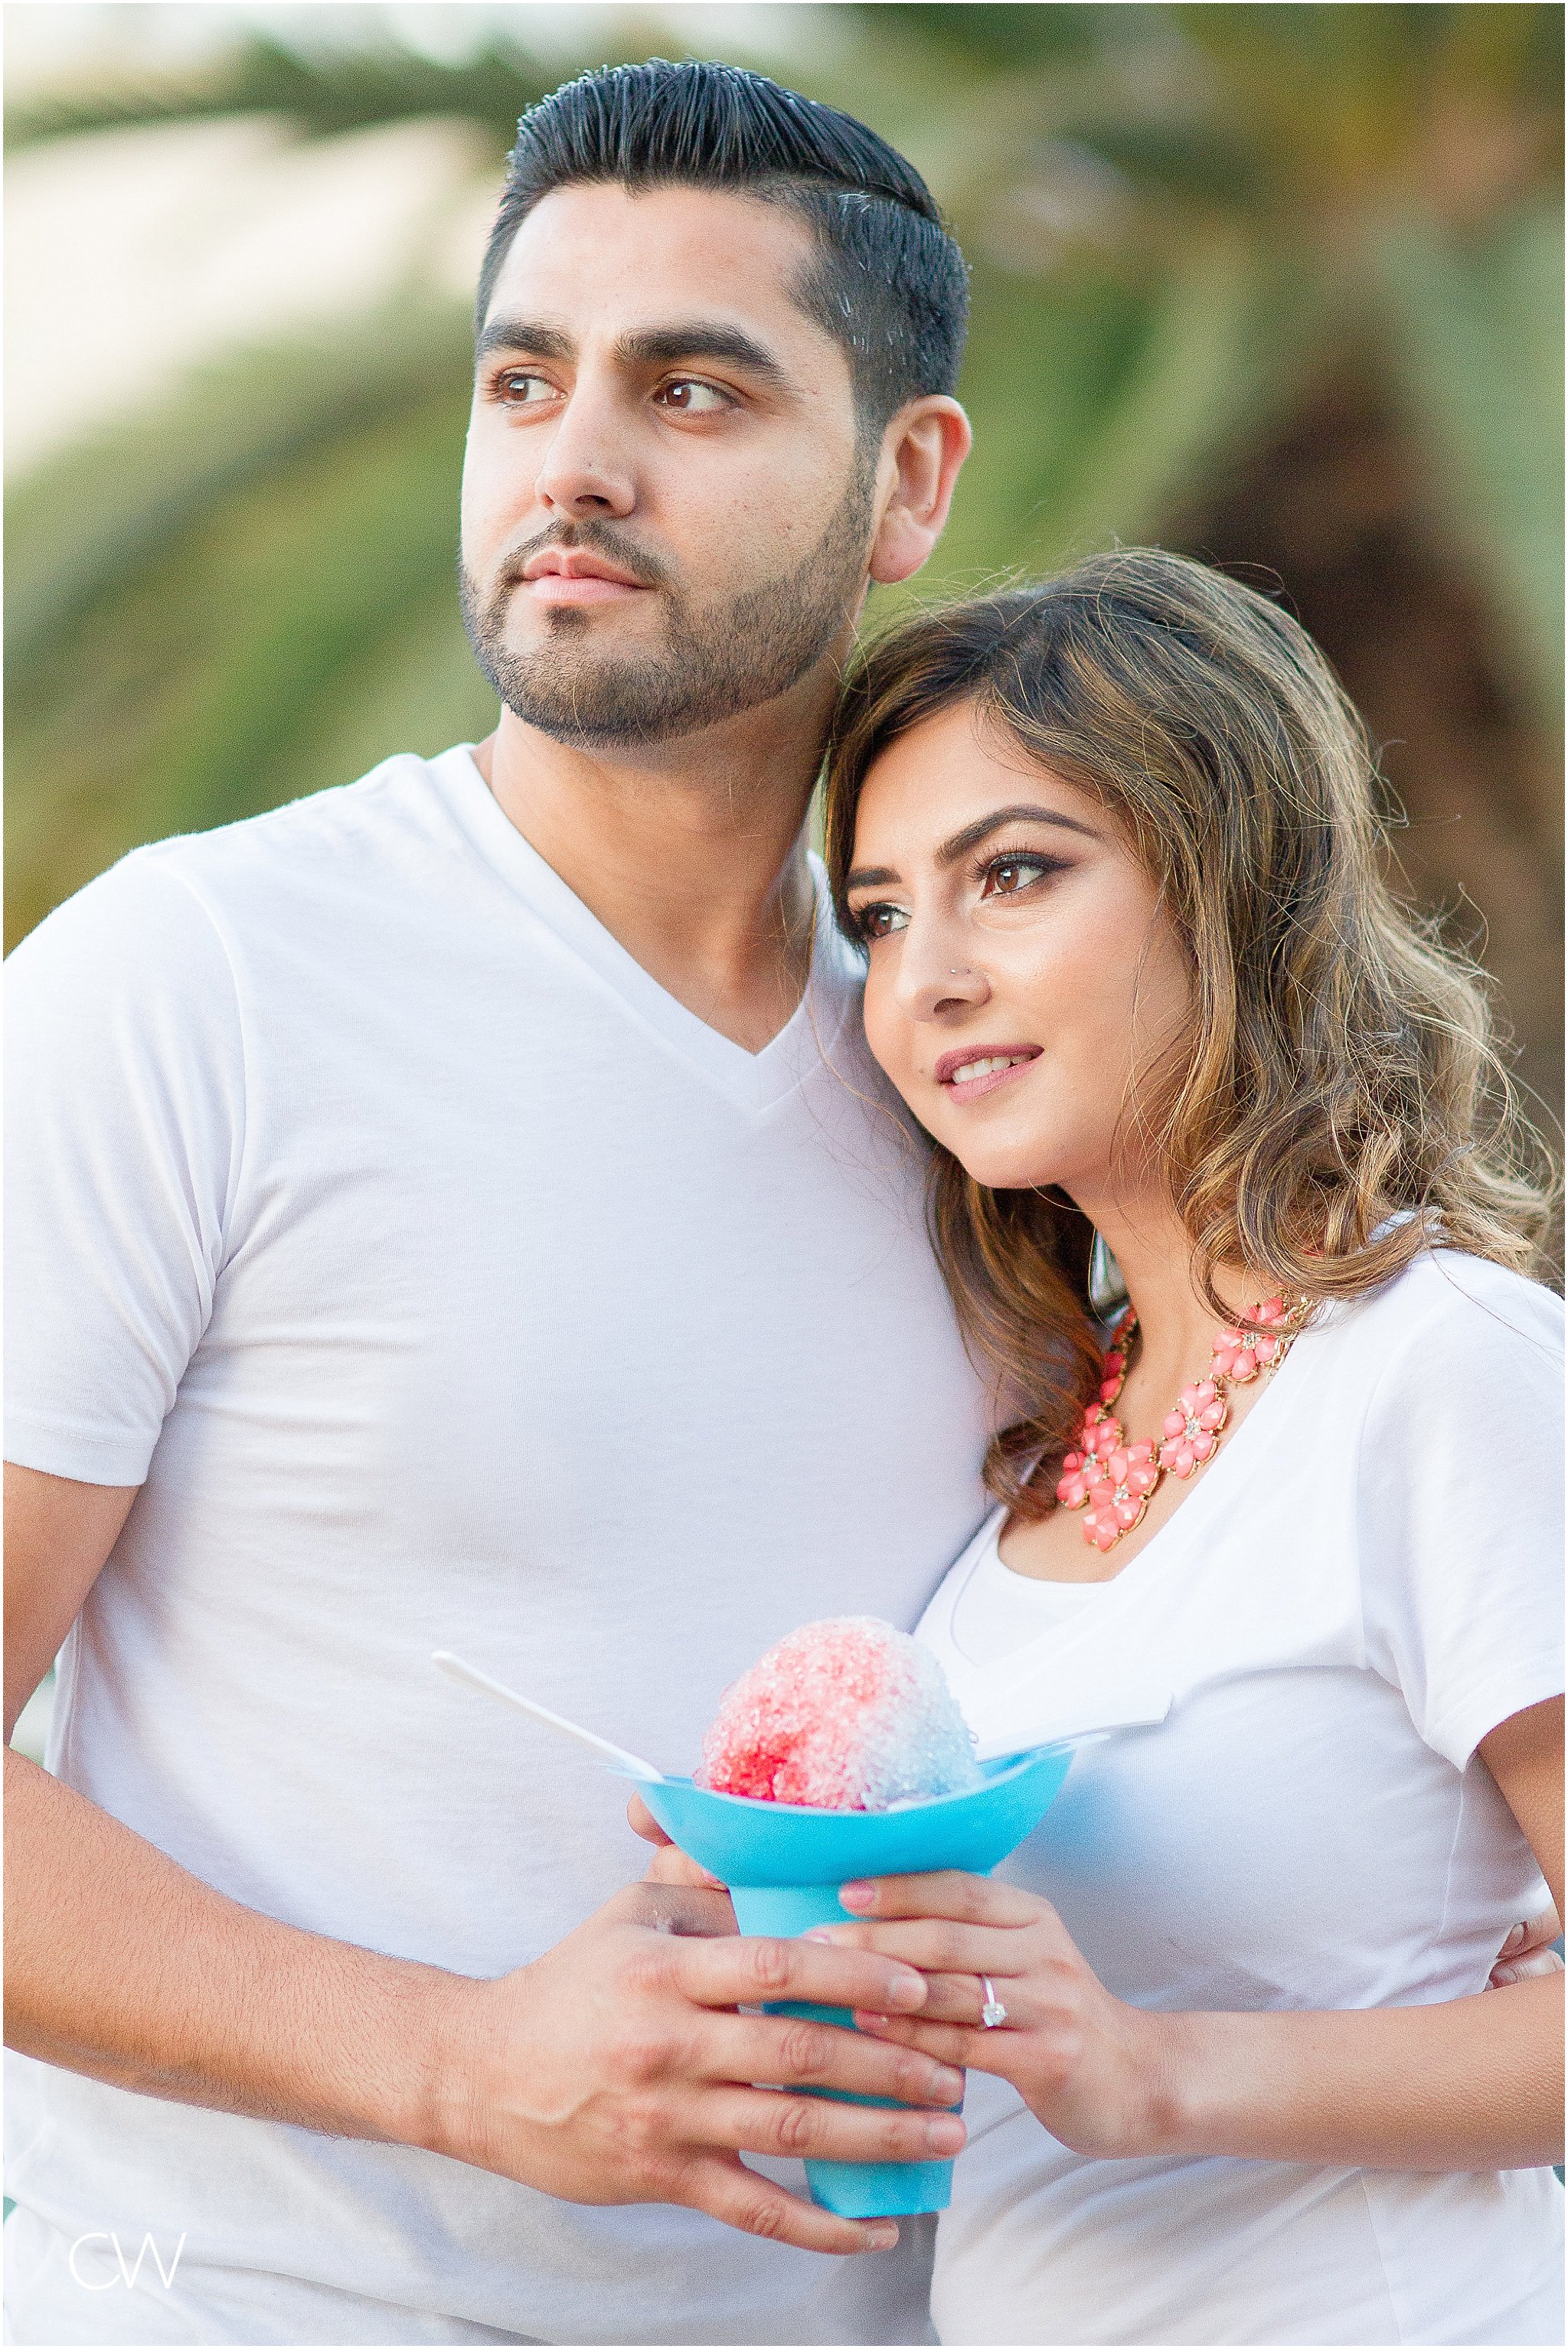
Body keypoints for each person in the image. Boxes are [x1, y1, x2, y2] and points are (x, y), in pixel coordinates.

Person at [4, 61, 985, 2349]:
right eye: (524, 378)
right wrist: (456, 2062)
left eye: (697, 386)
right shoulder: (199, 980)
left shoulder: (985, 1083)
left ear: (906, 479)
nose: (575, 459)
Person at [805, 549, 1564, 2346]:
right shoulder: (1043, 1439)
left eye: (1013, 875)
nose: (928, 978)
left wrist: (1152, 2073)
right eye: (883, 913)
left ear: (1229, 888)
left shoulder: (1434, 1372)